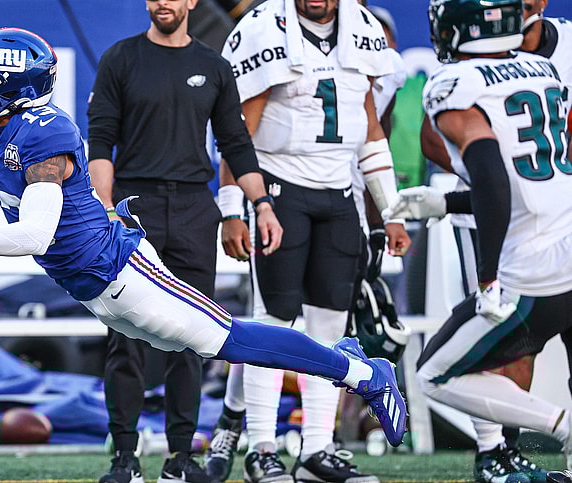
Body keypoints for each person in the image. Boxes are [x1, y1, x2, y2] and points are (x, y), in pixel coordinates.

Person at [0, 16, 410, 479]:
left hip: (124, 271)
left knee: (226, 340)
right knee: (207, 343)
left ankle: (360, 371)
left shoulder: (44, 134)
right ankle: (350, 360)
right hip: (95, 287)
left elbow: (35, 234)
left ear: (13, 90)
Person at [204, 0, 410, 481]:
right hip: (279, 190)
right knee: (272, 323)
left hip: (339, 193)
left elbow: (370, 128)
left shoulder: (362, 25)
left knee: (332, 331)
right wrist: (233, 209)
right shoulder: (263, 27)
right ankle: (261, 448)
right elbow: (239, 133)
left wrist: (392, 211)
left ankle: (317, 449)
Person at [87, 0, 281, 481]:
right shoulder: (120, 58)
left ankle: (180, 456)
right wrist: (106, 211)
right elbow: (100, 140)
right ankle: (125, 456)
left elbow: (236, 143)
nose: (163, 3)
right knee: (125, 336)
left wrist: (262, 205)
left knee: (194, 338)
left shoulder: (213, 66)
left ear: (192, 1)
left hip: (196, 209)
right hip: (135, 209)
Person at [393, 1, 572, 480]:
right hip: (567, 245)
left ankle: (559, 427)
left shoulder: (456, 83)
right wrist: (445, 205)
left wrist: (489, 276)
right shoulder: (541, 70)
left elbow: (493, 180)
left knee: (433, 373)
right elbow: (528, 181)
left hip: (533, 272)